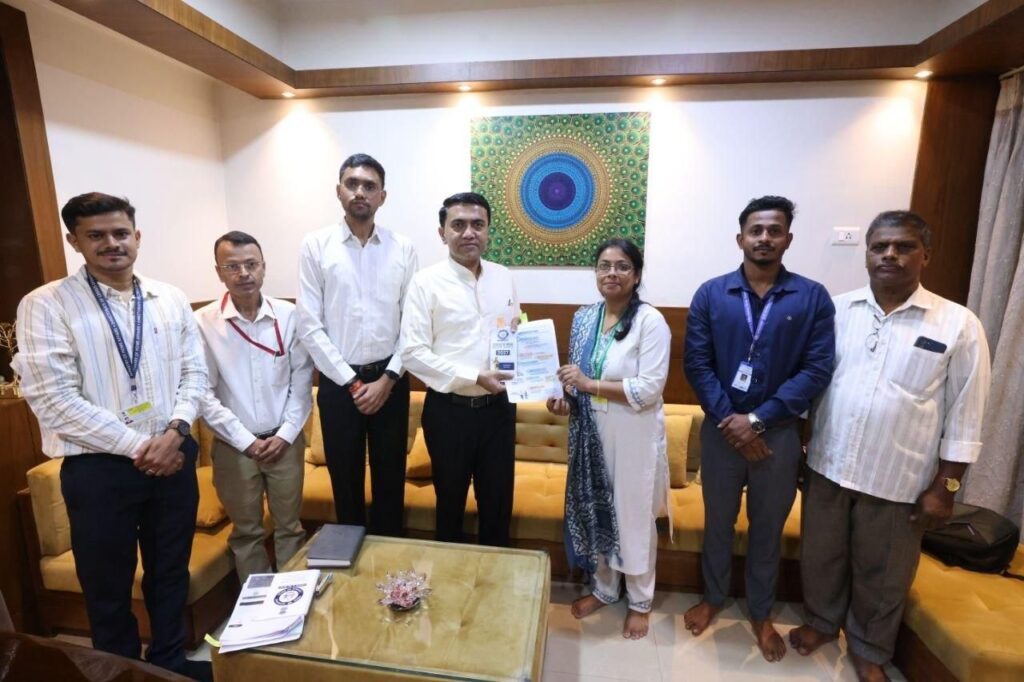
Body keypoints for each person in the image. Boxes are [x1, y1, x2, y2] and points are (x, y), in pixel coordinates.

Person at [12, 193, 211, 682]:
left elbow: (195, 373)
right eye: (96, 236)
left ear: (136, 237)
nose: (111, 244)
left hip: (173, 454)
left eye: (120, 233)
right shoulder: (46, 304)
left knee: (170, 570)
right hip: (99, 468)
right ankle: (119, 672)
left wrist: (176, 431)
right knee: (107, 584)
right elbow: (55, 400)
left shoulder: (170, 298)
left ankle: (169, 664)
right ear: (74, 241)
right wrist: (141, 447)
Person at [790, 211, 990, 682]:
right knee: (821, 557)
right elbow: (810, 383)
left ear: (926, 255)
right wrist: (799, 448)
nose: (890, 255)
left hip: (899, 477)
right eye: (879, 246)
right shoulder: (836, 311)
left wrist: (946, 488)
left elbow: (967, 412)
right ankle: (822, 622)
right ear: (867, 253)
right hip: (828, 464)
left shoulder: (957, 324)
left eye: (903, 246)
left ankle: (869, 648)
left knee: (885, 572)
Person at [683, 195, 835, 662]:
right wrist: (733, 422)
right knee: (718, 523)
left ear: (788, 238)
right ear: (740, 238)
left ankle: (761, 612)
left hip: (780, 434)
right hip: (721, 430)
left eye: (774, 230)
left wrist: (757, 420)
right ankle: (713, 597)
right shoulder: (711, 294)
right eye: (756, 230)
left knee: (768, 529)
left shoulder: (812, 297)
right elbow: (697, 363)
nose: (764, 238)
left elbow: (816, 369)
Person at [548, 238, 672, 640]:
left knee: (632, 516)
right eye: (604, 266)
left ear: (636, 275)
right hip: (590, 432)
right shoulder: (585, 318)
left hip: (633, 432)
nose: (612, 273)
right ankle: (604, 588)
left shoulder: (650, 321)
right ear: (596, 272)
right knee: (596, 510)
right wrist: (566, 399)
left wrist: (589, 384)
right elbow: (575, 379)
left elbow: (649, 389)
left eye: (622, 266)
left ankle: (639, 601)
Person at [297, 154, 418, 536]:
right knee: (344, 481)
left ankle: (390, 560)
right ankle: (352, 564)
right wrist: (352, 383)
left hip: (390, 383)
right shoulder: (316, 246)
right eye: (352, 184)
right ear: (339, 191)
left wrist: (387, 380)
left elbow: (412, 325)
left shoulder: (403, 248)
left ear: (383, 196)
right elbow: (309, 325)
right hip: (338, 385)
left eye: (369, 186)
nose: (360, 192)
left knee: (390, 480)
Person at [400, 192, 519, 546]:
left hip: (499, 412)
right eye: (459, 225)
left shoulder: (503, 277)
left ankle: (497, 577)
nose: (469, 233)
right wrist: (475, 377)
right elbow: (412, 352)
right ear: (442, 233)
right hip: (449, 413)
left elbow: (514, 334)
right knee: (450, 508)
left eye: (478, 224)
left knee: (498, 507)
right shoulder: (425, 282)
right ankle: (450, 579)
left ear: (489, 231)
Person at [195, 231, 314, 582]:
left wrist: (286, 435)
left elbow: (301, 382)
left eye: (251, 264)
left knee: (290, 527)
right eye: (232, 266)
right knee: (246, 533)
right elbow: (202, 392)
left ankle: (291, 598)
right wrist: (246, 441)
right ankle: (257, 603)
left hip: (285, 444)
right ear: (219, 272)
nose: (244, 273)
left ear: (264, 267)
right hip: (234, 447)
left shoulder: (289, 316)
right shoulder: (202, 323)